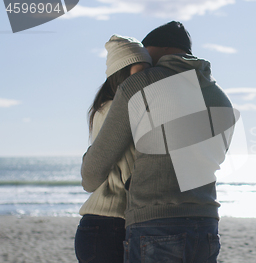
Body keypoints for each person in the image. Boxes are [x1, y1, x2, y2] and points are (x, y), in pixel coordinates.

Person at [80, 21, 234, 263]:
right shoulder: (220, 97)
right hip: (206, 224)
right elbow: (215, 157)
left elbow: (91, 174)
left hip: (156, 223)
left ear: (158, 48)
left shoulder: (141, 84)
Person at [75, 35, 152, 263]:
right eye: (141, 70)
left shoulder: (105, 109)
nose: (148, 77)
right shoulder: (118, 111)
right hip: (109, 225)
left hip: (104, 225)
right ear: (124, 73)